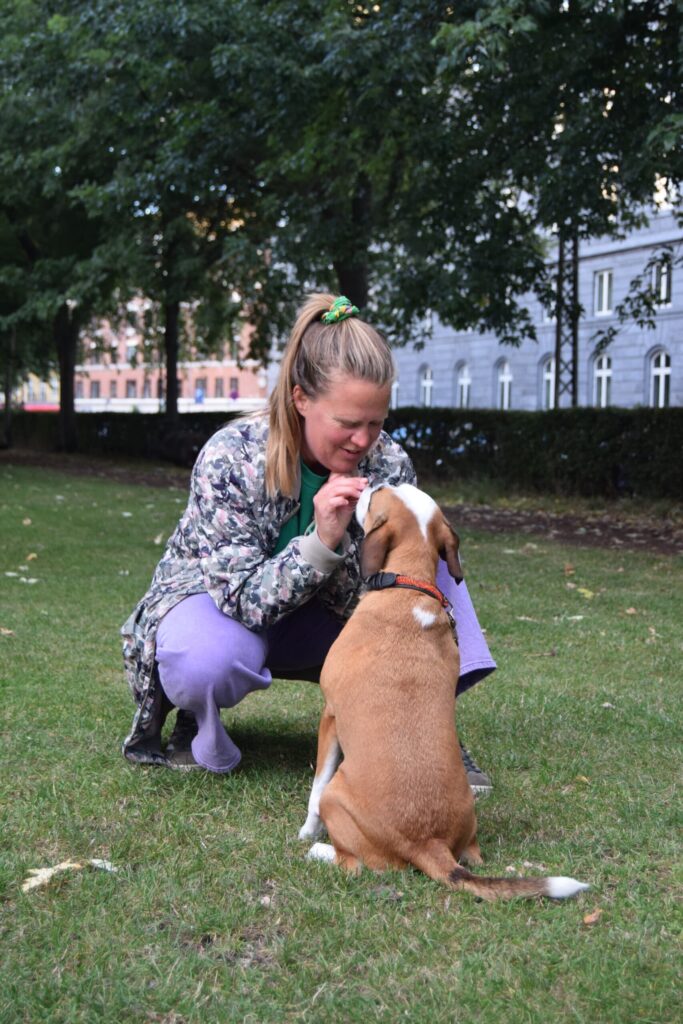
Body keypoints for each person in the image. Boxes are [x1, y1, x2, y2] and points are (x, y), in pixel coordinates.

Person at [121, 294, 496, 792]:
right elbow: (240, 602)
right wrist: (320, 541)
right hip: (223, 611)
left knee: (429, 553)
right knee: (204, 659)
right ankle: (196, 719)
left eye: (376, 422)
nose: (364, 441)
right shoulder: (232, 456)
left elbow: (382, 595)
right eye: (347, 423)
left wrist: (366, 555)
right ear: (301, 399)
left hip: (328, 622)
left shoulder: (390, 465)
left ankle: (429, 732)